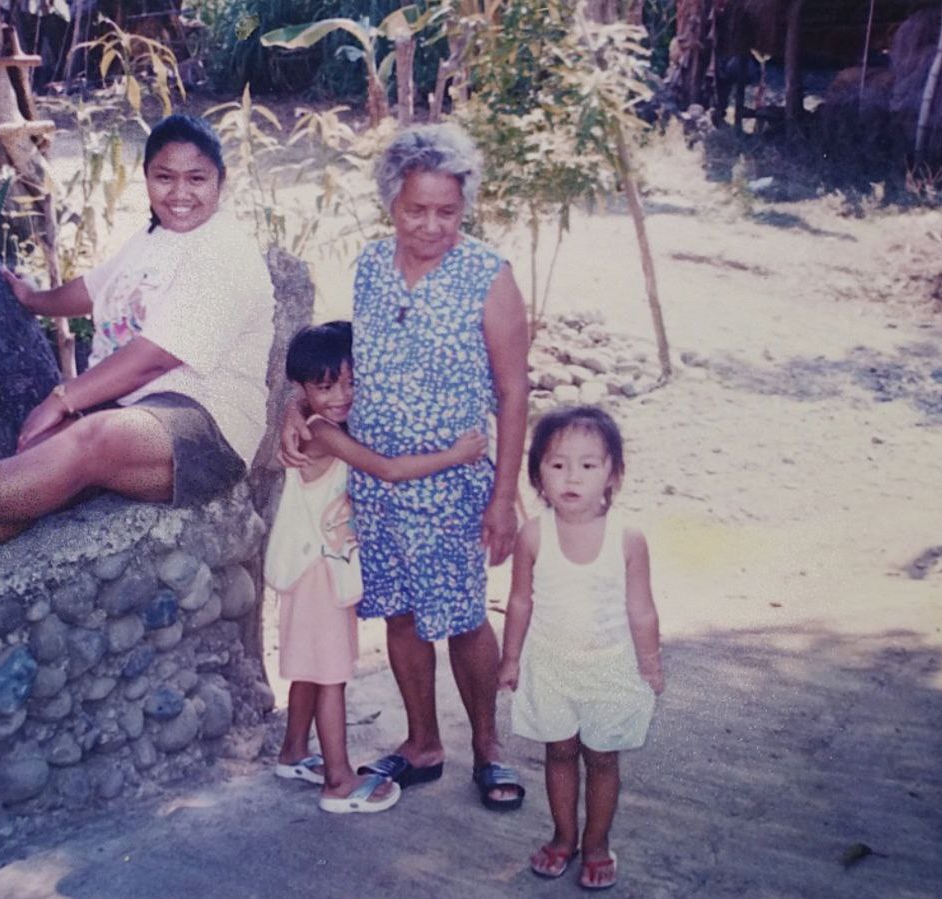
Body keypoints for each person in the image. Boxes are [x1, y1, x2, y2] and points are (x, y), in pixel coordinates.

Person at [0, 114, 274, 590]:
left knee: (94, 437)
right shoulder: (155, 240)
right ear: (147, 178)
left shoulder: (226, 252)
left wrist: (63, 398)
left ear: (221, 182)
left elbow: (155, 358)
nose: (180, 193)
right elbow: (92, 290)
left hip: (209, 425)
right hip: (140, 411)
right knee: (44, 467)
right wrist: (34, 300)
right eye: (164, 177)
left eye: (197, 178)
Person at [282, 123, 530, 811]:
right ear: (391, 203)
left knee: (460, 616)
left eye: (446, 211)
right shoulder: (369, 264)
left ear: (464, 207)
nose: (430, 225)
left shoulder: (488, 275)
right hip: (375, 480)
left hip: (451, 483)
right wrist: (295, 407)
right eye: (416, 209)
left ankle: (488, 747)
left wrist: (503, 496)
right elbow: (343, 353)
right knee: (399, 615)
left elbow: (513, 392)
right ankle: (423, 741)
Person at [266, 320, 487, 814]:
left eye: (351, 382)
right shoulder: (323, 433)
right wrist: (456, 454)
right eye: (326, 387)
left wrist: (299, 403)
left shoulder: (317, 417)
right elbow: (386, 469)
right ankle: (338, 782)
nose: (343, 395)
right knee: (331, 675)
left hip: (312, 567)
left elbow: (318, 396)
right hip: (319, 572)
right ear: (304, 387)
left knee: (310, 667)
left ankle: (294, 751)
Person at [496, 406, 664, 891]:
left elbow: (642, 610)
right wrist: (510, 658)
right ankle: (563, 837)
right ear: (538, 474)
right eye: (557, 464)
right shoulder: (534, 534)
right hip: (551, 666)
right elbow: (521, 601)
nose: (573, 476)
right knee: (560, 752)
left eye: (589, 465)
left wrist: (649, 664)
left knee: (604, 758)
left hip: (610, 667)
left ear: (613, 473)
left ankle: (597, 843)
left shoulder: (627, 539)